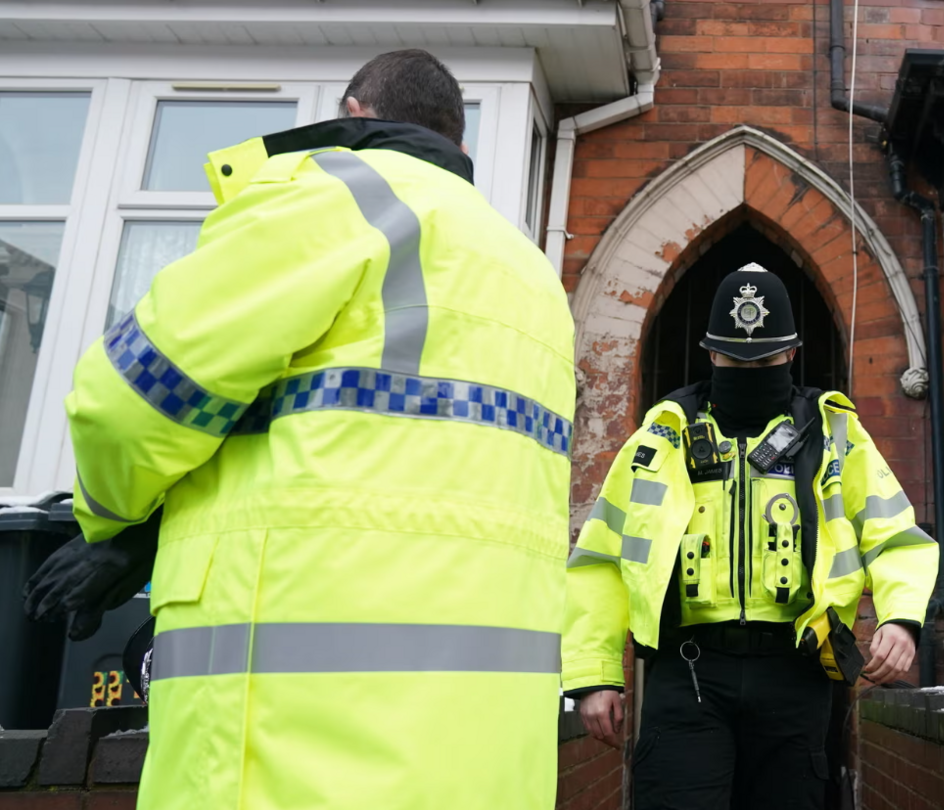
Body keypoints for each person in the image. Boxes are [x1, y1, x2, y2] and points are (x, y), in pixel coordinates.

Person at [23, 49, 573, 809]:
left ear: (352, 114)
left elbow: (133, 395)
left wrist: (115, 525)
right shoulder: (530, 274)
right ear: (462, 148)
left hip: (294, 747)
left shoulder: (337, 198)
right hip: (480, 758)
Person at [562, 262, 939, 810]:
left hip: (796, 672)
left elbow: (895, 535)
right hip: (685, 676)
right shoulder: (662, 437)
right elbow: (601, 557)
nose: (746, 368)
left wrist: (902, 619)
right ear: (709, 353)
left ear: (790, 353)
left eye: (762, 359)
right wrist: (595, 674)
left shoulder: (835, 434)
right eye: (732, 358)